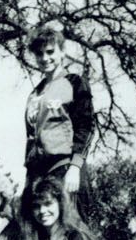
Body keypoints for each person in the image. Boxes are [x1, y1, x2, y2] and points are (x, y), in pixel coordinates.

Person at [24, 21, 94, 199]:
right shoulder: (35, 93)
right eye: (39, 54)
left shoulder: (74, 82)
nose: (45, 58)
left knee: (70, 224)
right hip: (37, 171)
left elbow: (85, 126)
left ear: (62, 52)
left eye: (50, 52)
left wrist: (75, 167)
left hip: (64, 168)